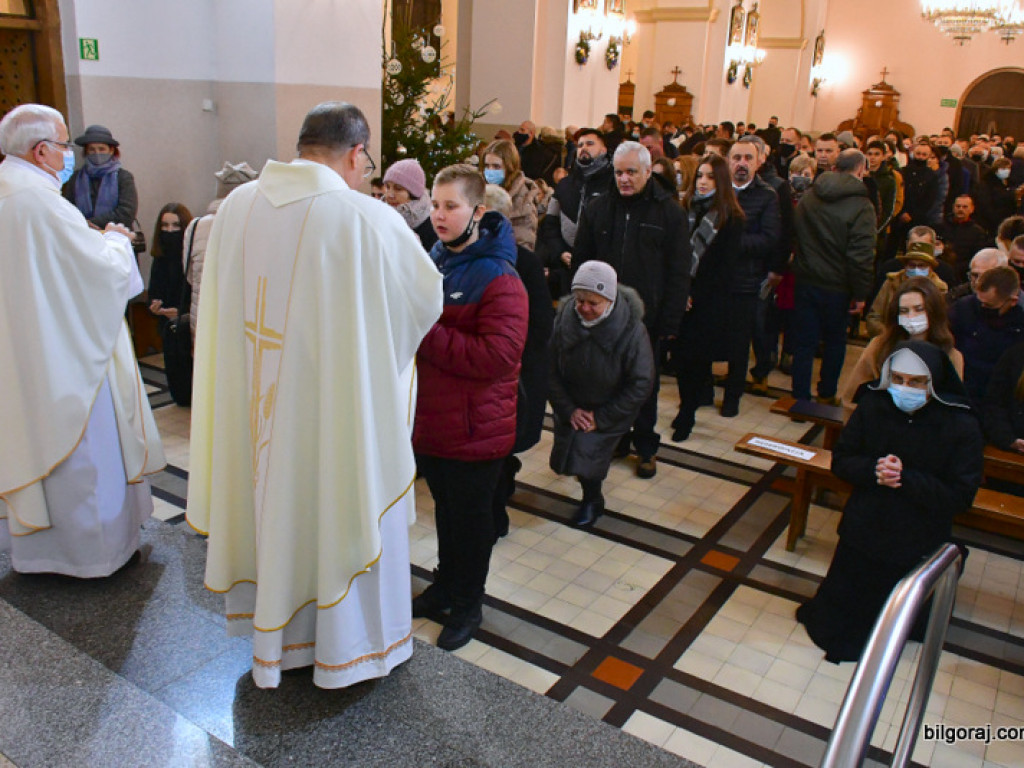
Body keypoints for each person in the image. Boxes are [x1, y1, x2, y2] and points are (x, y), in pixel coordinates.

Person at [186, 102, 443, 688]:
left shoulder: (236, 207)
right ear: (356, 154)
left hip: (257, 415)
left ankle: (276, 640)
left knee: (268, 501)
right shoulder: (364, 219)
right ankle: (349, 650)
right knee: (333, 502)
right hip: (331, 419)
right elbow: (423, 300)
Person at [0, 103, 164, 577]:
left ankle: (37, 554)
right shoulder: (39, 201)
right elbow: (98, 273)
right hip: (65, 354)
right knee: (84, 455)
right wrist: (115, 240)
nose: (69, 154)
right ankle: (92, 556)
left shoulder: (11, 189)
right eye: (63, 145)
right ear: (41, 150)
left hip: (23, 349)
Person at [797, 341, 983, 663]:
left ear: (934, 383)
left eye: (916, 382)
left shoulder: (961, 424)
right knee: (837, 612)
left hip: (915, 534)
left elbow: (960, 495)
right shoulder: (874, 404)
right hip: (865, 525)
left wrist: (905, 478)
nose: (904, 388)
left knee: (888, 615)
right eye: (898, 379)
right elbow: (842, 460)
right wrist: (874, 470)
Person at [412, 164, 528, 652]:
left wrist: (426, 332)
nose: (439, 216)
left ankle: (467, 605)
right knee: (446, 513)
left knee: (472, 521)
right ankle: (445, 585)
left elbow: (497, 356)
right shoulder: (435, 258)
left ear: (478, 212)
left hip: (476, 428)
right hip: (435, 421)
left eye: (451, 207)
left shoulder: (500, 278)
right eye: (435, 206)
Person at [572, 141, 691, 477]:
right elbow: (582, 261)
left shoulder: (669, 212)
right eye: (619, 172)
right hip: (603, 315)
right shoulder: (598, 208)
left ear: (647, 171)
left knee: (643, 385)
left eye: (631, 172)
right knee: (606, 382)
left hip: (646, 318)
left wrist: (670, 321)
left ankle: (646, 446)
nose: (624, 179)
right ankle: (617, 439)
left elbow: (679, 271)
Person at [549, 262, 654, 526]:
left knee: (588, 456)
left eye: (593, 303)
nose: (584, 308)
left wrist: (602, 418)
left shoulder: (631, 330)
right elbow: (548, 367)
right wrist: (568, 409)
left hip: (609, 407)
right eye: (580, 300)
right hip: (572, 403)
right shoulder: (564, 319)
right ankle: (591, 495)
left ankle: (592, 501)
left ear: (610, 300)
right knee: (570, 453)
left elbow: (641, 382)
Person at [483, 184, 553, 539]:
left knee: (500, 449)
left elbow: (541, 325)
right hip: (488, 373)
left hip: (516, 373)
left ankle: (496, 515)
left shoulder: (524, 263)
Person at [790, 149, 875, 404]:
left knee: (803, 343)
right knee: (835, 343)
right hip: (839, 287)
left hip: (806, 280)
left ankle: (799, 398)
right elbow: (861, 255)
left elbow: (796, 234)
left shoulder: (810, 196)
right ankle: (826, 395)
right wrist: (861, 293)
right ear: (860, 170)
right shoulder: (862, 206)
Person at [671, 154, 746, 441]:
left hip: (708, 300)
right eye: (700, 176)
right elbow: (676, 254)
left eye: (710, 177)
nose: (703, 182)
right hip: (682, 294)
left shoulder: (731, 218)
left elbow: (724, 268)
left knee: (697, 358)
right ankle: (686, 404)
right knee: (680, 358)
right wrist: (681, 290)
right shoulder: (684, 209)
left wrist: (694, 294)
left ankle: (687, 413)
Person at [842, 278, 963, 402]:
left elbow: (953, 404)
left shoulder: (951, 356)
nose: (911, 316)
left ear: (934, 311)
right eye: (904, 311)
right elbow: (851, 397)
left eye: (919, 309)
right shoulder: (878, 347)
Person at [535, 128, 613, 299]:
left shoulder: (613, 184)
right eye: (580, 145)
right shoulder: (565, 185)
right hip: (566, 267)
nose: (583, 148)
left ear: (603, 150)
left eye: (590, 144)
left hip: (602, 269)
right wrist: (560, 252)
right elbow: (550, 224)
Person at [185, 161, 260, 338]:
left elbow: (189, 274)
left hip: (204, 317)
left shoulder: (196, 226)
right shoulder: (257, 225)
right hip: (244, 318)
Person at [949, 266, 1024, 403]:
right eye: (980, 302)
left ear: (1012, 301)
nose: (982, 307)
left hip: (1002, 396)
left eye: (989, 305)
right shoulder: (963, 309)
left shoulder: (1020, 323)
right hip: (965, 391)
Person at [865, 241, 948, 337]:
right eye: (912, 265)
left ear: (931, 268)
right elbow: (874, 317)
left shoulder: (939, 289)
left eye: (921, 265)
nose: (916, 269)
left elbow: (941, 325)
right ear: (905, 265)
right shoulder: (891, 282)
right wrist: (889, 337)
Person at [62, 124, 138, 228]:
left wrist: (92, 223)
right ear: (86, 151)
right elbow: (68, 209)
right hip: (83, 234)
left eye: (101, 149)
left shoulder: (123, 177)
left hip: (117, 234)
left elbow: (126, 213)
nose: (97, 153)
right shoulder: (75, 178)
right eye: (92, 149)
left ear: (111, 150)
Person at [483, 139, 539, 250]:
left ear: (509, 167)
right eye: (487, 166)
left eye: (496, 166)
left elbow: (524, 244)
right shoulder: (479, 191)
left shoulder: (524, 201)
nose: (490, 171)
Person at [147, 203, 193, 325]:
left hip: (190, 323)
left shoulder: (193, 256)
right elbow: (153, 293)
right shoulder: (160, 256)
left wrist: (183, 310)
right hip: (166, 324)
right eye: (165, 225)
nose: (170, 230)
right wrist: (154, 306)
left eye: (176, 225)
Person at [383, 158, 437, 251]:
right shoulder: (379, 217)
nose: (389, 195)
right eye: (387, 187)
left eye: (398, 188)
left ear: (414, 193)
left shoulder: (431, 228)